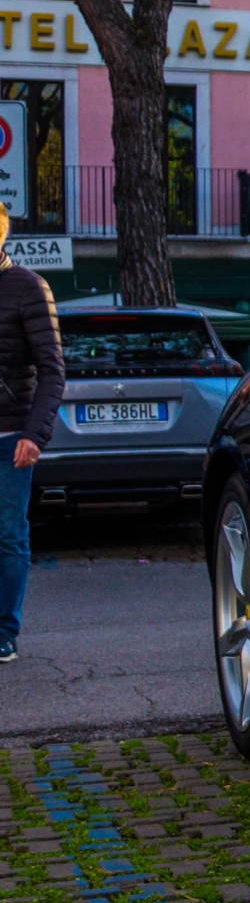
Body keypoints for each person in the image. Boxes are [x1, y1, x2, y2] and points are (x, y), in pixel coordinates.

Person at [0, 202, 62, 663]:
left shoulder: (28, 287)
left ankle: (4, 632)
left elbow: (52, 371)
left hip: (8, 439)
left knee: (7, 536)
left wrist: (34, 435)